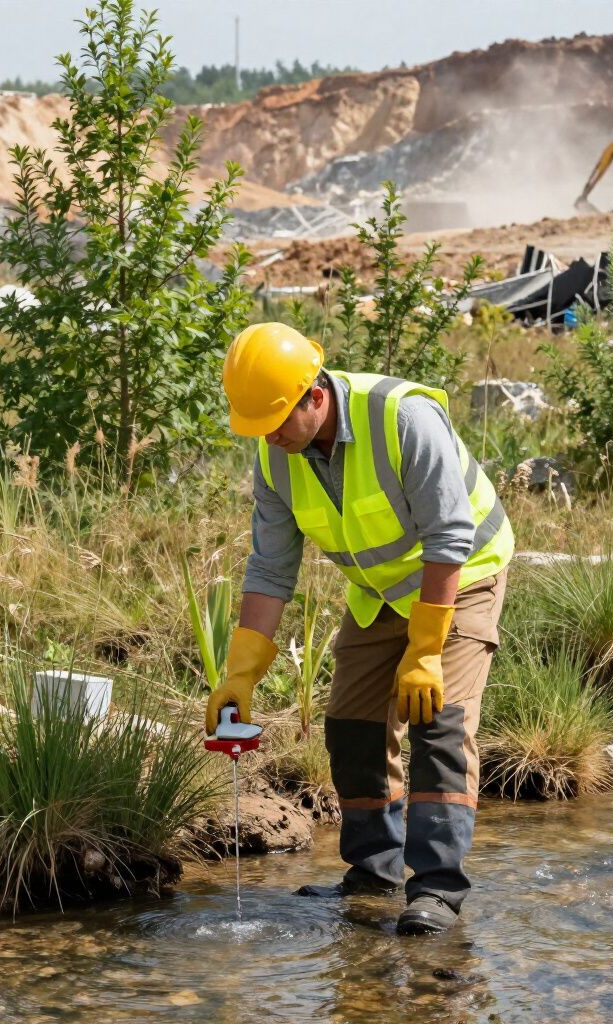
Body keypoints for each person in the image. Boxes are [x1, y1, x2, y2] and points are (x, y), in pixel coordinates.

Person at [205, 322, 513, 936]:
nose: (266, 436)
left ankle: (438, 891)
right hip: (380, 592)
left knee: (439, 723)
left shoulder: (404, 418)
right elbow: (270, 567)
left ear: (314, 396)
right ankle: (374, 872)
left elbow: (449, 537)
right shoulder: (278, 455)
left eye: (274, 420)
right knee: (351, 726)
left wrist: (425, 651)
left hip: (462, 575)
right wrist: (239, 673)